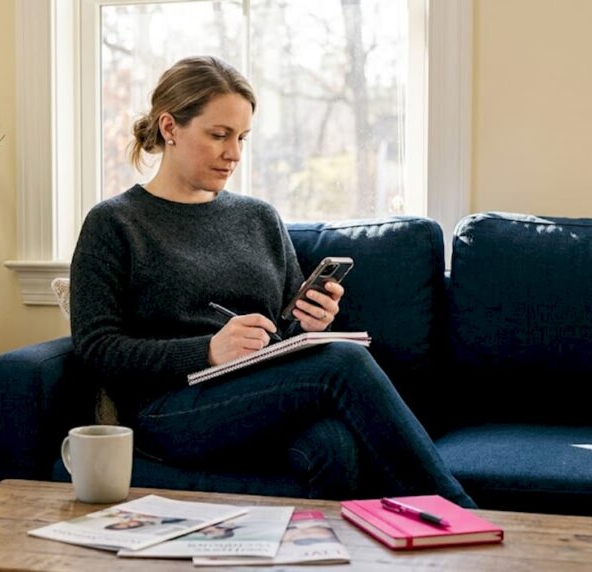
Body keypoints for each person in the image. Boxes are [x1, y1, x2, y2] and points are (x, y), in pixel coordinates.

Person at [69, 56, 474, 507]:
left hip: (259, 396)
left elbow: (284, 331)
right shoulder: (115, 223)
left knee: (334, 448)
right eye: (219, 135)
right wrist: (205, 350)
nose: (234, 154)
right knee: (343, 363)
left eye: (241, 138)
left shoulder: (258, 217)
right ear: (170, 127)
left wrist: (310, 322)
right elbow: (97, 347)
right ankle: (463, 517)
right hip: (169, 410)